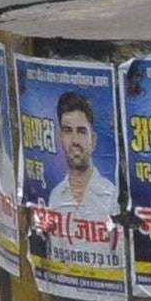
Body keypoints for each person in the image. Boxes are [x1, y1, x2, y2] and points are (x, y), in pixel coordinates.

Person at [46, 90, 119, 223]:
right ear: (60, 138)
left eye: (81, 131)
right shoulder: (55, 197)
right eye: (68, 131)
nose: (75, 140)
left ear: (93, 140)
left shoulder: (112, 196)